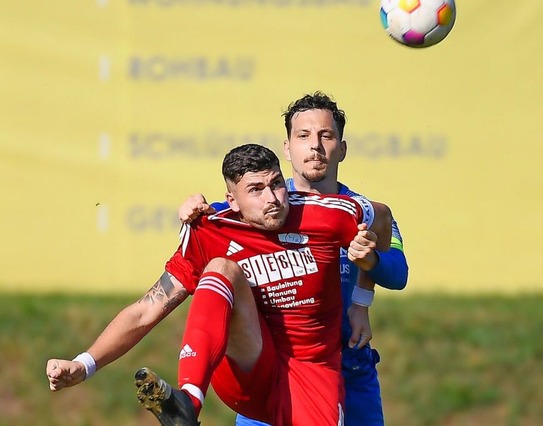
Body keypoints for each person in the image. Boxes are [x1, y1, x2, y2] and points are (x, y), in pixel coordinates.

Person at [46, 144, 381, 425]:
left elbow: (380, 216)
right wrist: (84, 363)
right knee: (221, 268)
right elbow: (146, 310)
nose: (273, 198)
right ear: (231, 201)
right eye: (255, 190)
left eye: (276, 183)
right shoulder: (210, 232)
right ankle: (188, 402)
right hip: (249, 370)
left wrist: (362, 299)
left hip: (314, 372)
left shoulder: (327, 214)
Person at [179, 91, 409, 426]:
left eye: (326, 136)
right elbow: (215, 214)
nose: (315, 146)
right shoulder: (266, 204)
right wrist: (192, 206)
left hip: (349, 368)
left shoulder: (361, 211)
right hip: (276, 370)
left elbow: (399, 274)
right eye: (303, 136)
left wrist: (365, 283)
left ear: (342, 149)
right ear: (287, 148)